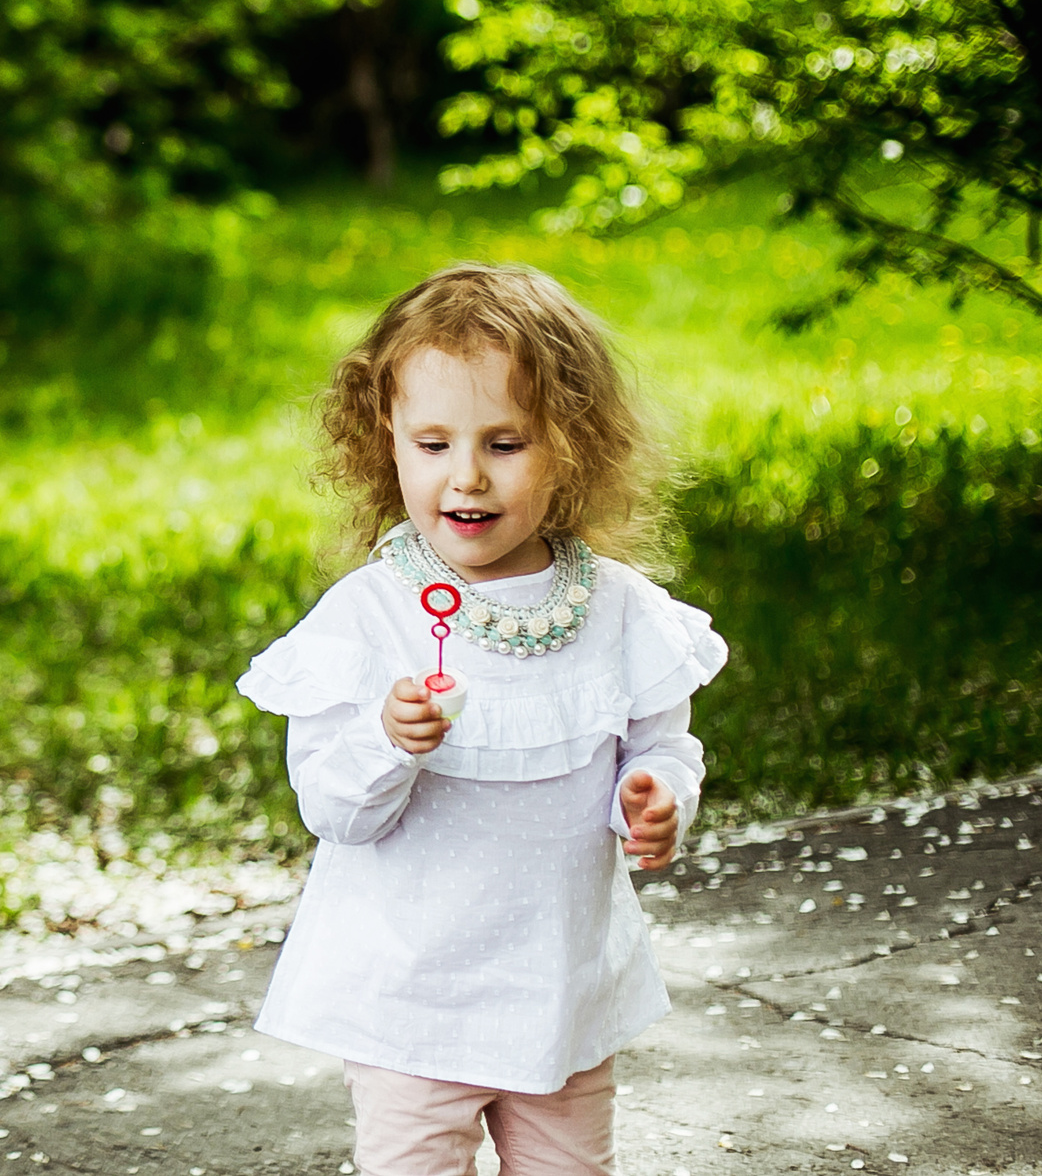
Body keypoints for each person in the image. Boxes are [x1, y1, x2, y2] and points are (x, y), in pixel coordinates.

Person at [235, 262, 726, 1176]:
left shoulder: (619, 612)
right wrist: (391, 740)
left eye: (505, 444)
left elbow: (660, 745)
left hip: (560, 990)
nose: (466, 477)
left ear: (571, 444)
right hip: (412, 1000)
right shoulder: (371, 615)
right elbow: (336, 812)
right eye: (432, 444)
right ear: (386, 440)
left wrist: (655, 794)